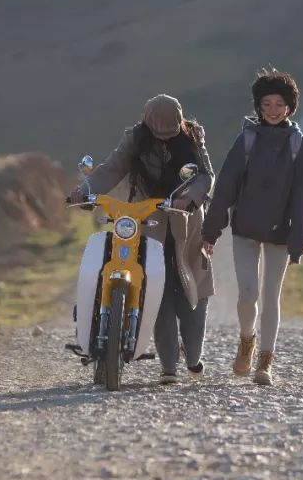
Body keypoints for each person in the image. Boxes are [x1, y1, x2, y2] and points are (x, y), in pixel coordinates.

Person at [67, 94, 214, 384]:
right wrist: (83, 190)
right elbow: (111, 168)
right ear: (147, 124)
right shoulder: (134, 139)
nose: (164, 139)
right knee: (156, 291)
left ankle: (193, 356)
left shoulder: (193, 136)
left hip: (187, 223)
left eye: (170, 134)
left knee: (193, 295)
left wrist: (190, 197)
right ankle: (169, 367)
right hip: (149, 220)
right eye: (158, 134)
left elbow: (206, 175)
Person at [201, 69, 303, 386]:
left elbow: (302, 198)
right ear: (258, 106)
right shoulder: (246, 140)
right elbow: (224, 188)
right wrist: (210, 232)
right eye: (266, 104)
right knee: (246, 297)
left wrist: (298, 243)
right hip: (245, 230)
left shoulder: (299, 147)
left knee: (270, 298)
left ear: (290, 107)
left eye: (279, 104)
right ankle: (246, 341)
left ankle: (265, 362)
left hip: (280, 233)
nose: (273, 110)